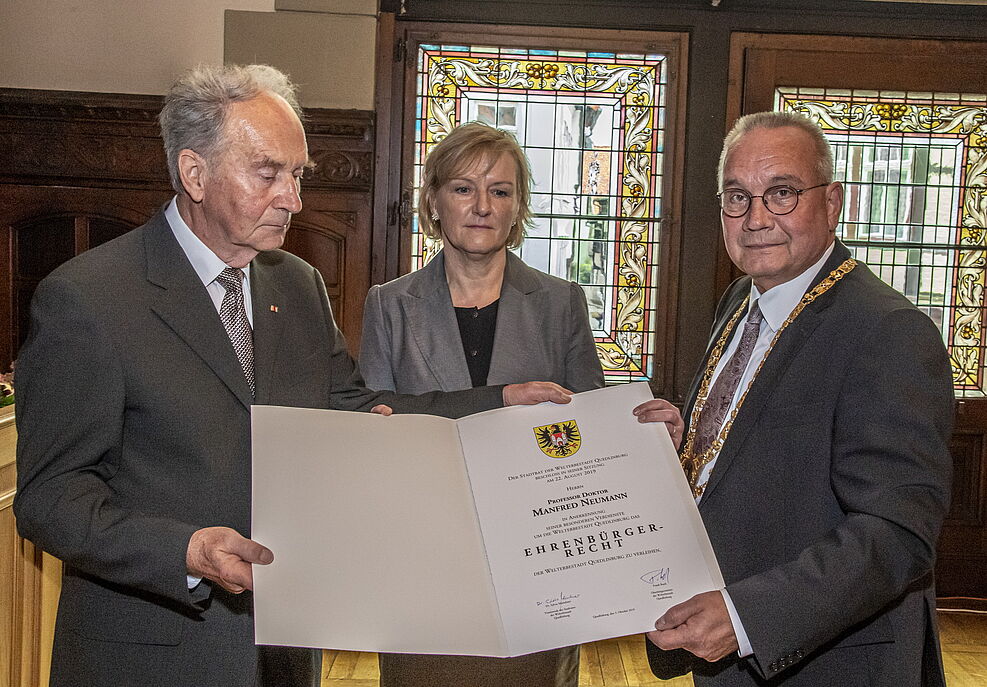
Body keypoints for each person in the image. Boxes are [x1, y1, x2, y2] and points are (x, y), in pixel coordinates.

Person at [13, 64, 569, 687]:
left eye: (298, 175)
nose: (294, 199)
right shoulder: (89, 299)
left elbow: (355, 410)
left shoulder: (296, 285)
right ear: (195, 174)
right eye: (268, 174)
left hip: (283, 651)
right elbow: (50, 497)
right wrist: (185, 552)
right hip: (157, 653)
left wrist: (499, 402)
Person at [642, 111, 954, 686]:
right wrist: (687, 441)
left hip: (828, 662)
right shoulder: (740, 299)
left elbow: (898, 532)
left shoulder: (887, 331)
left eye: (781, 193)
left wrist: (746, 617)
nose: (756, 218)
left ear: (832, 202)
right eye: (737, 197)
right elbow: (756, 443)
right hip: (728, 651)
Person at [359, 121, 604, 687]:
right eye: (464, 188)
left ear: (518, 207)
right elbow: (372, 422)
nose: (482, 205)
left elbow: (591, 427)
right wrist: (500, 402)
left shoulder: (561, 303)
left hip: (537, 560)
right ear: (434, 201)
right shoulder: (389, 305)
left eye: (500, 190)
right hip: (424, 557)